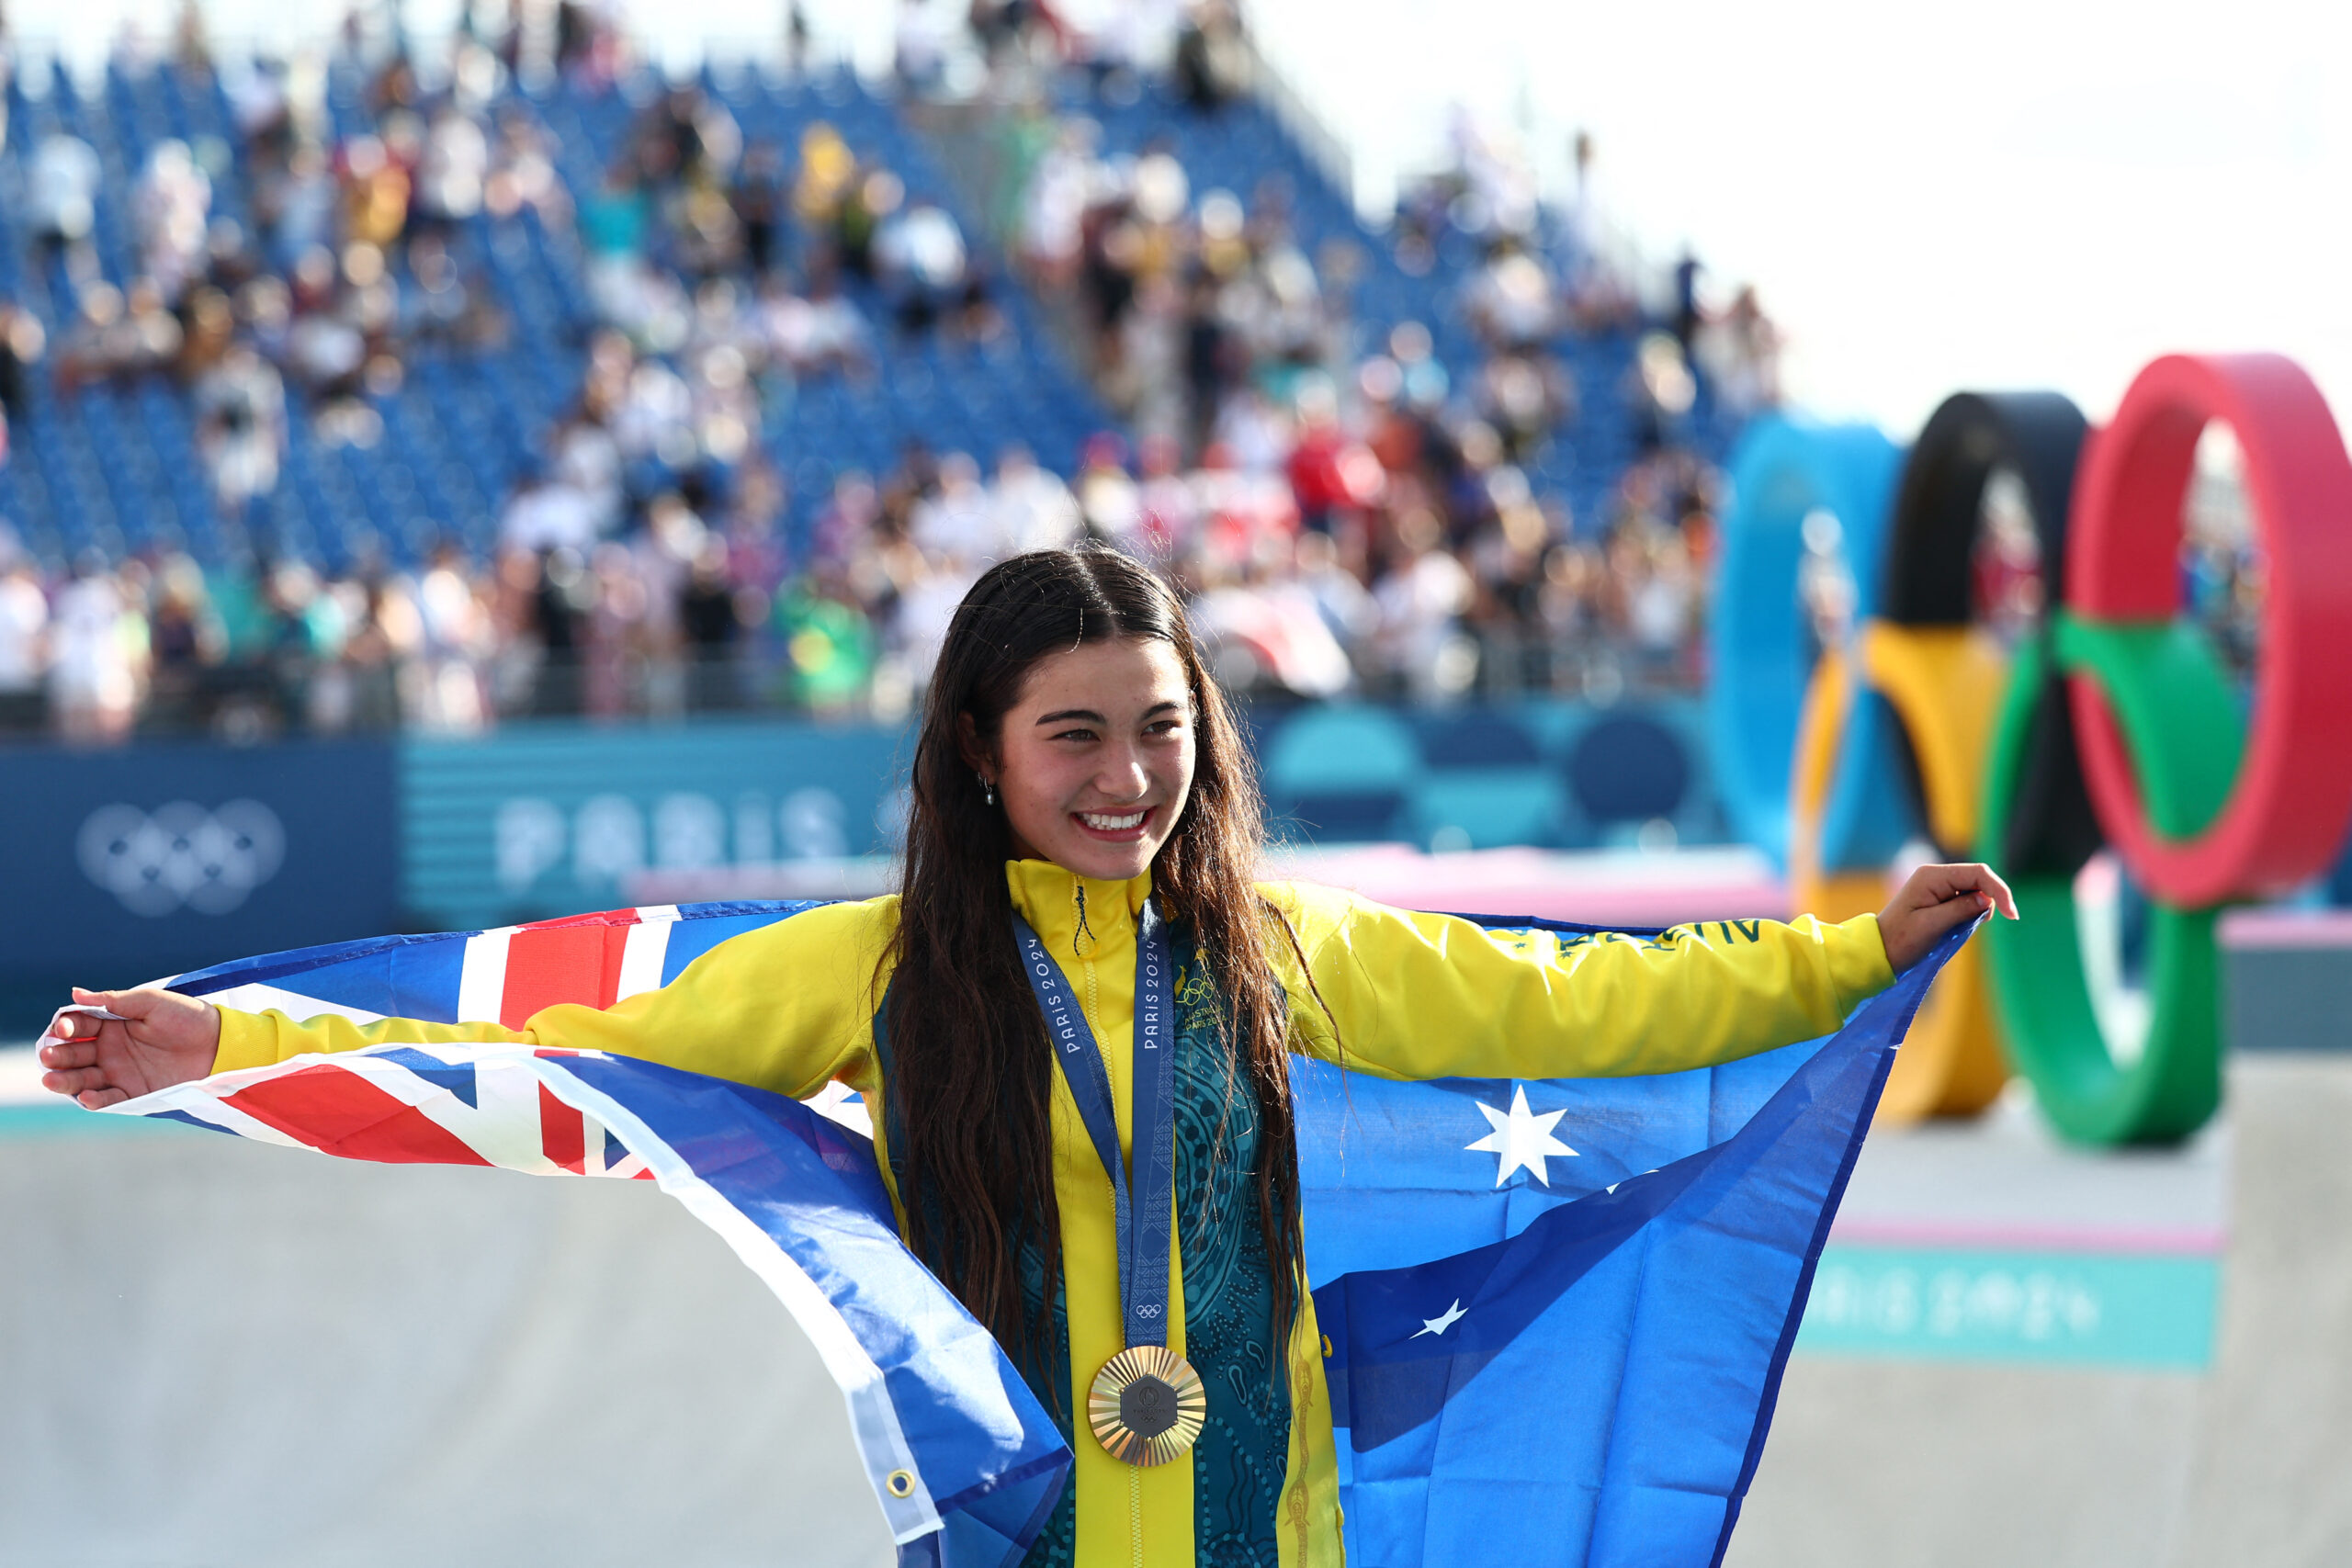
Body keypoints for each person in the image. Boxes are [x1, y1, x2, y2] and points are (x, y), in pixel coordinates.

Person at [41, 548, 2014, 1565]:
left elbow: (1576, 1006)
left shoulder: (1273, 949)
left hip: (1265, 1535)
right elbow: (553, 1067)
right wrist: (230, 1037)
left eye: (1156, 727)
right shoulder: (878, 966)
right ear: (979, 747)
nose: (1125, 775)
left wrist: (1844, 951)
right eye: (1072, 732)